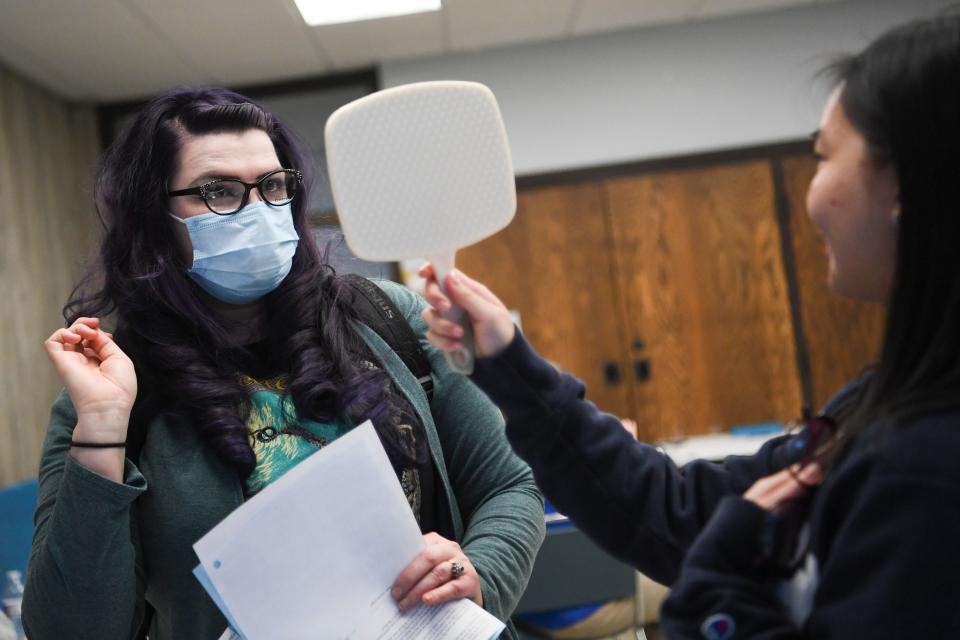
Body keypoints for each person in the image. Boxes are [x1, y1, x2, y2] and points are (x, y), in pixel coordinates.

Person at [420, 13, 960, 638]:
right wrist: (509, 362)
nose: (814, 193)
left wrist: (719, 587)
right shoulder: (889, 405)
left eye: (824, 155)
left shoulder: (927, 469)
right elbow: (681, 511)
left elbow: (710, 536)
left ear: (905, 189)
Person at [22, 87, 544, 639]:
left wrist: (478, 570)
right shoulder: (111, 393)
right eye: (217, 191)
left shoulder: (389, 319)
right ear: (153, 216)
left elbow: (509, 487)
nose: (257, 210)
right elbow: (68, 630)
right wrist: (103, 431)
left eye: (272, 186)